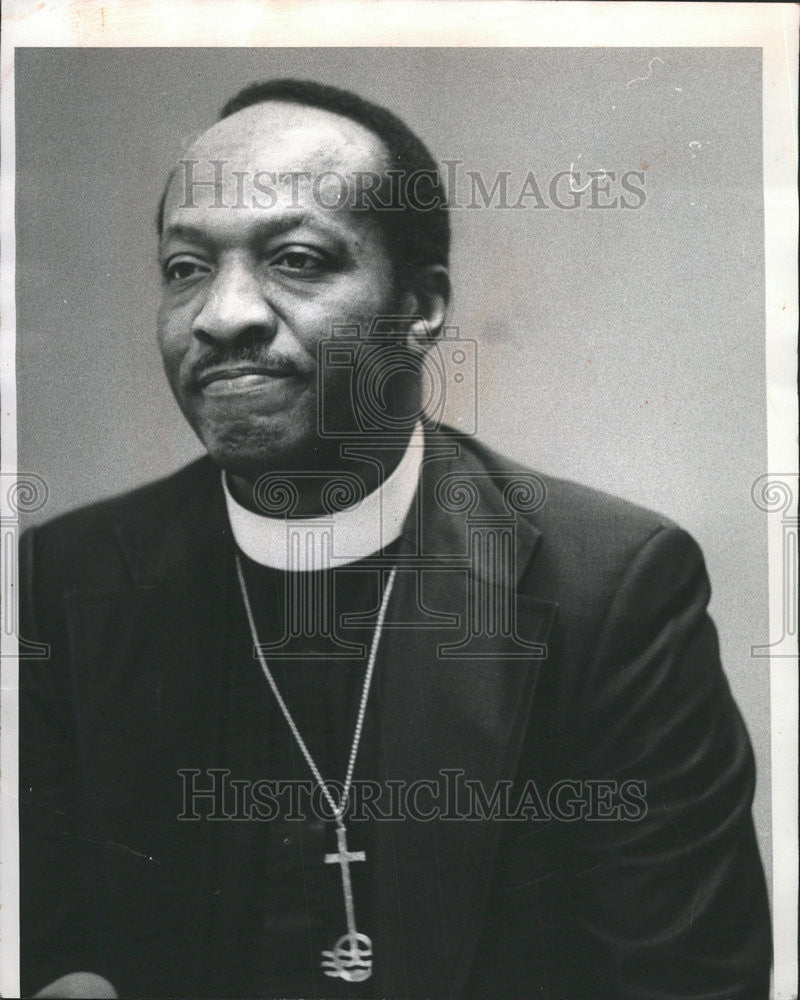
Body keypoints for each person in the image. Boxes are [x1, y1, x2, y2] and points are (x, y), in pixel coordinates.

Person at [19, 79, 771, 999]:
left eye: (295, 259)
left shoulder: (608, 589)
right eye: (185, 269)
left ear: (420, 307)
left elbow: (688, 982)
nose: (223, 314)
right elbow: (44, 944)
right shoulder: (61, 581)